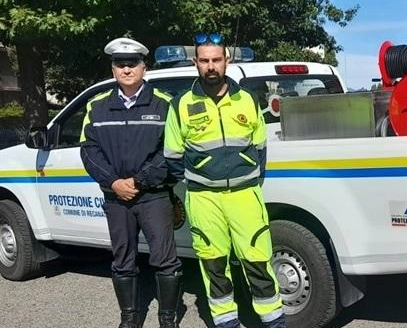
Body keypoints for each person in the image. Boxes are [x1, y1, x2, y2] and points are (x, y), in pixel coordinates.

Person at [163, 33, 286, 328]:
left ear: (226, 61)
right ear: (196, 63)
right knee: (214, 265)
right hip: (204, 200)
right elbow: (172, 156)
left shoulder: (246, 100)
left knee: (258, 261)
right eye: (204, 61)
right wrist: (202, 180)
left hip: (245, 196)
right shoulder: (180, 105)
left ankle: (274, 322)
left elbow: (260, 149)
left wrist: (247, 180)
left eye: (216, 59)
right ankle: (226, 322)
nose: (211, 66)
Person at [80, 37, 183, 328]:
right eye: (119, 63)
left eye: (132, 63)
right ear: (113, 68)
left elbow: (172, 151)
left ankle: (168, 319)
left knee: (166, 261)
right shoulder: (97, 106)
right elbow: (89, 150)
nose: (126, 69)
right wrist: (114, 182)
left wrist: (138, 181)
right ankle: (129, 318)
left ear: (143, 67)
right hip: (116, 198)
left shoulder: (164, 104)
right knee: (122, 260)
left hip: (153, 196)